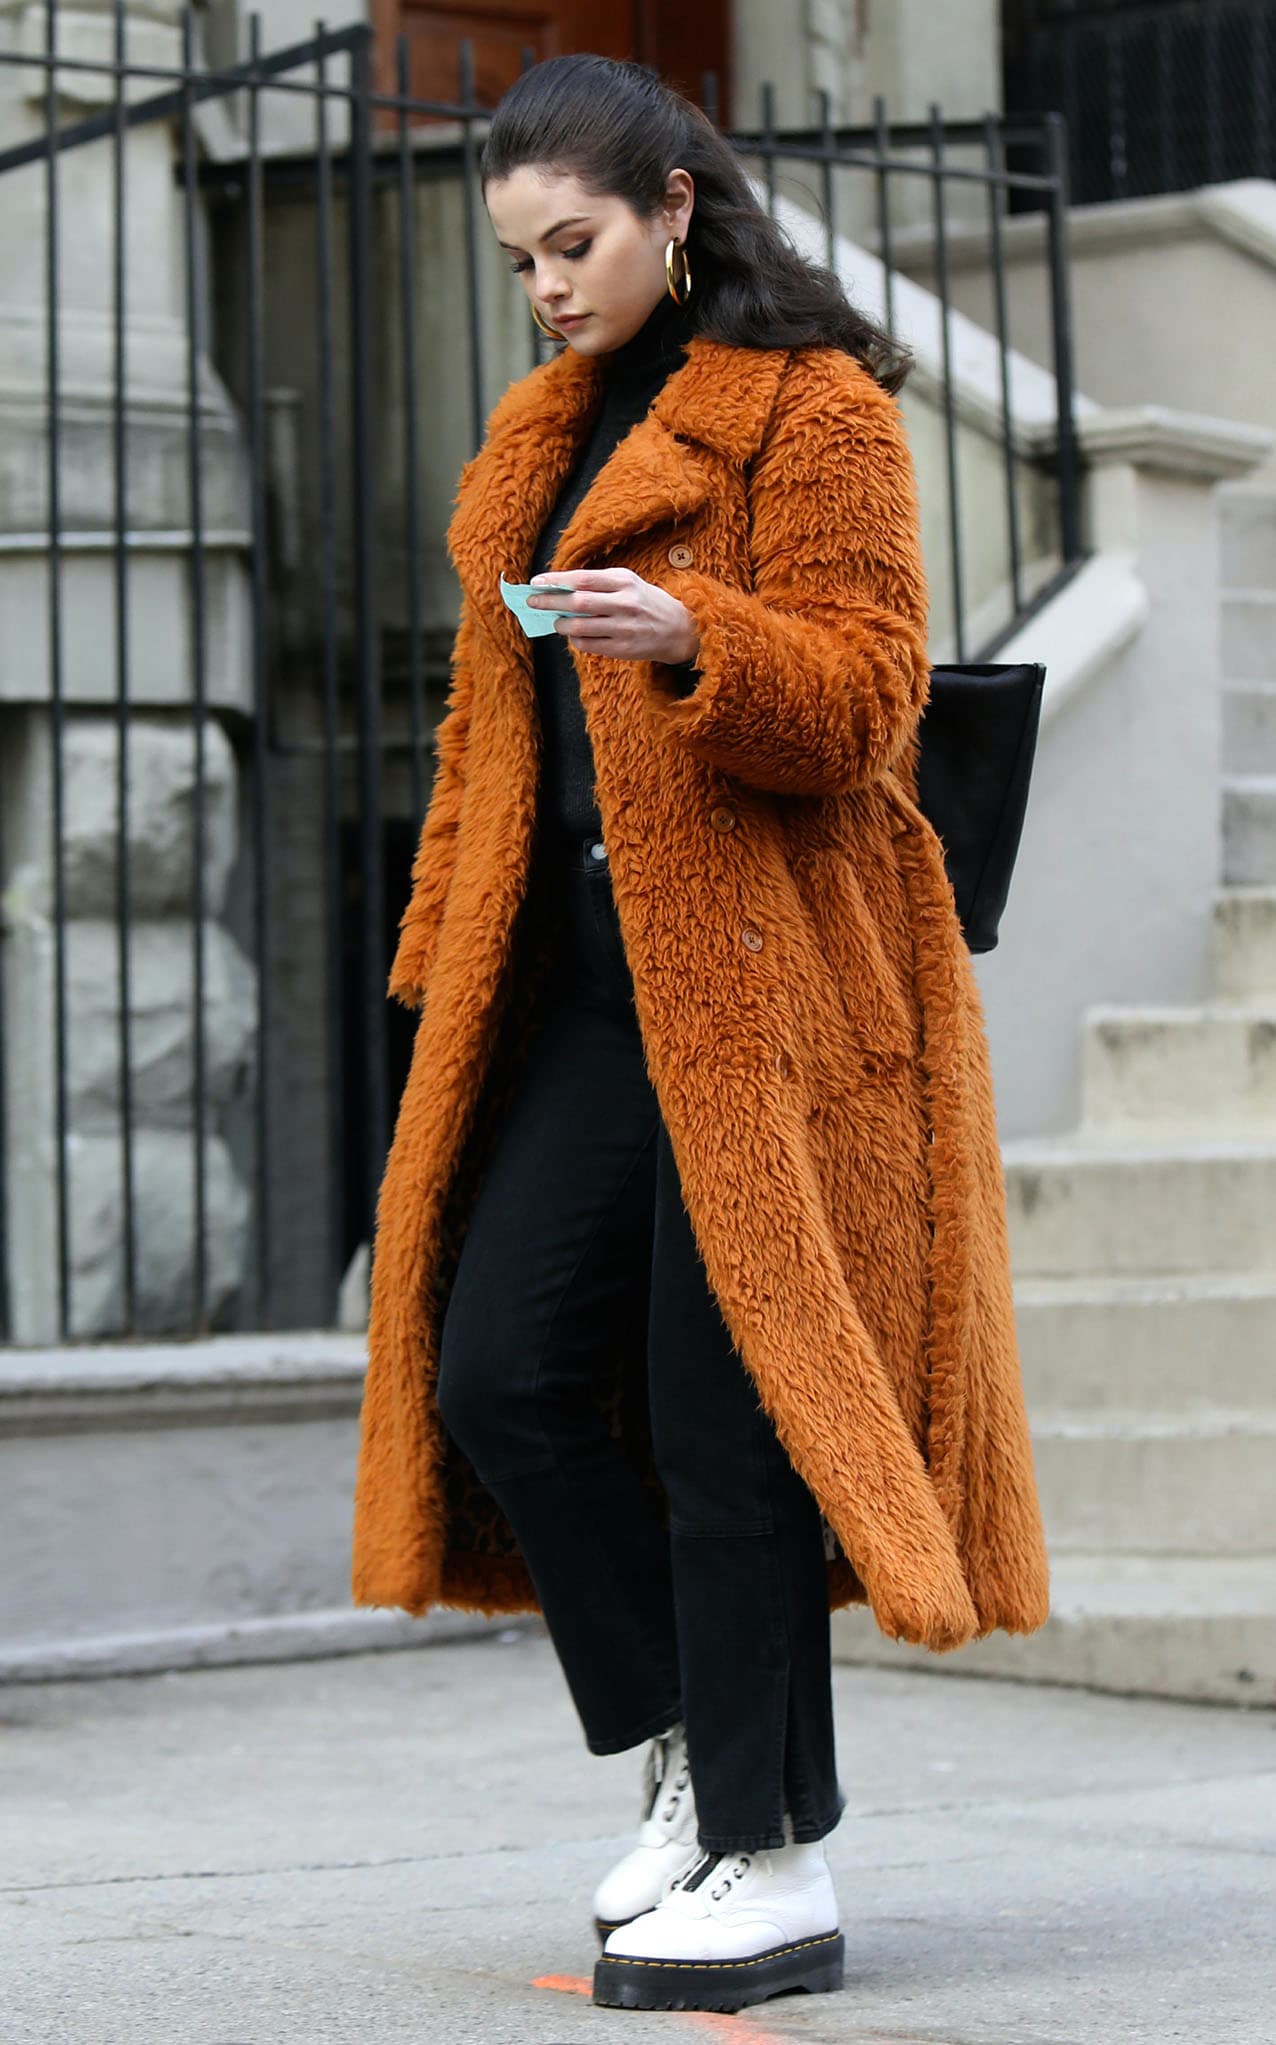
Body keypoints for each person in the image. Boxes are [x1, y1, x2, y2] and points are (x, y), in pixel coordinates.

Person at [351, 53, 1050, 2017]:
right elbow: (481, 737)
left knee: (722, 1426)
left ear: (672, 207)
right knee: (496, 1368)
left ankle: (764, 1855)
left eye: (571, 243)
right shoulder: (541, 428)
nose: (547, 286)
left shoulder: (811, 412)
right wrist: (432, 949)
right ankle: (690, 1751)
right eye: (519, 258)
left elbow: (866, 699)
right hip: (570, 992)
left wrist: (691, 644)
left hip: (762, 989)